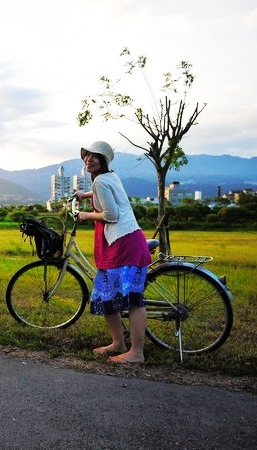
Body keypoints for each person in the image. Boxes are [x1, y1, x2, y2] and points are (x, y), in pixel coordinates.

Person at [73, 141, 152, 364]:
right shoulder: (107, 177)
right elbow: (105, 190)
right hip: (120, 242)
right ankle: (118, 343)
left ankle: (136, 353)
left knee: (134, 300)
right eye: (86, 155)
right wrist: (86, 194)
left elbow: (111, 215)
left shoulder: (101, 181)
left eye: (94, 157)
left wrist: (86, 216)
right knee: (106, 295)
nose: (89, 159)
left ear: (103, 161)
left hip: (124, 243)